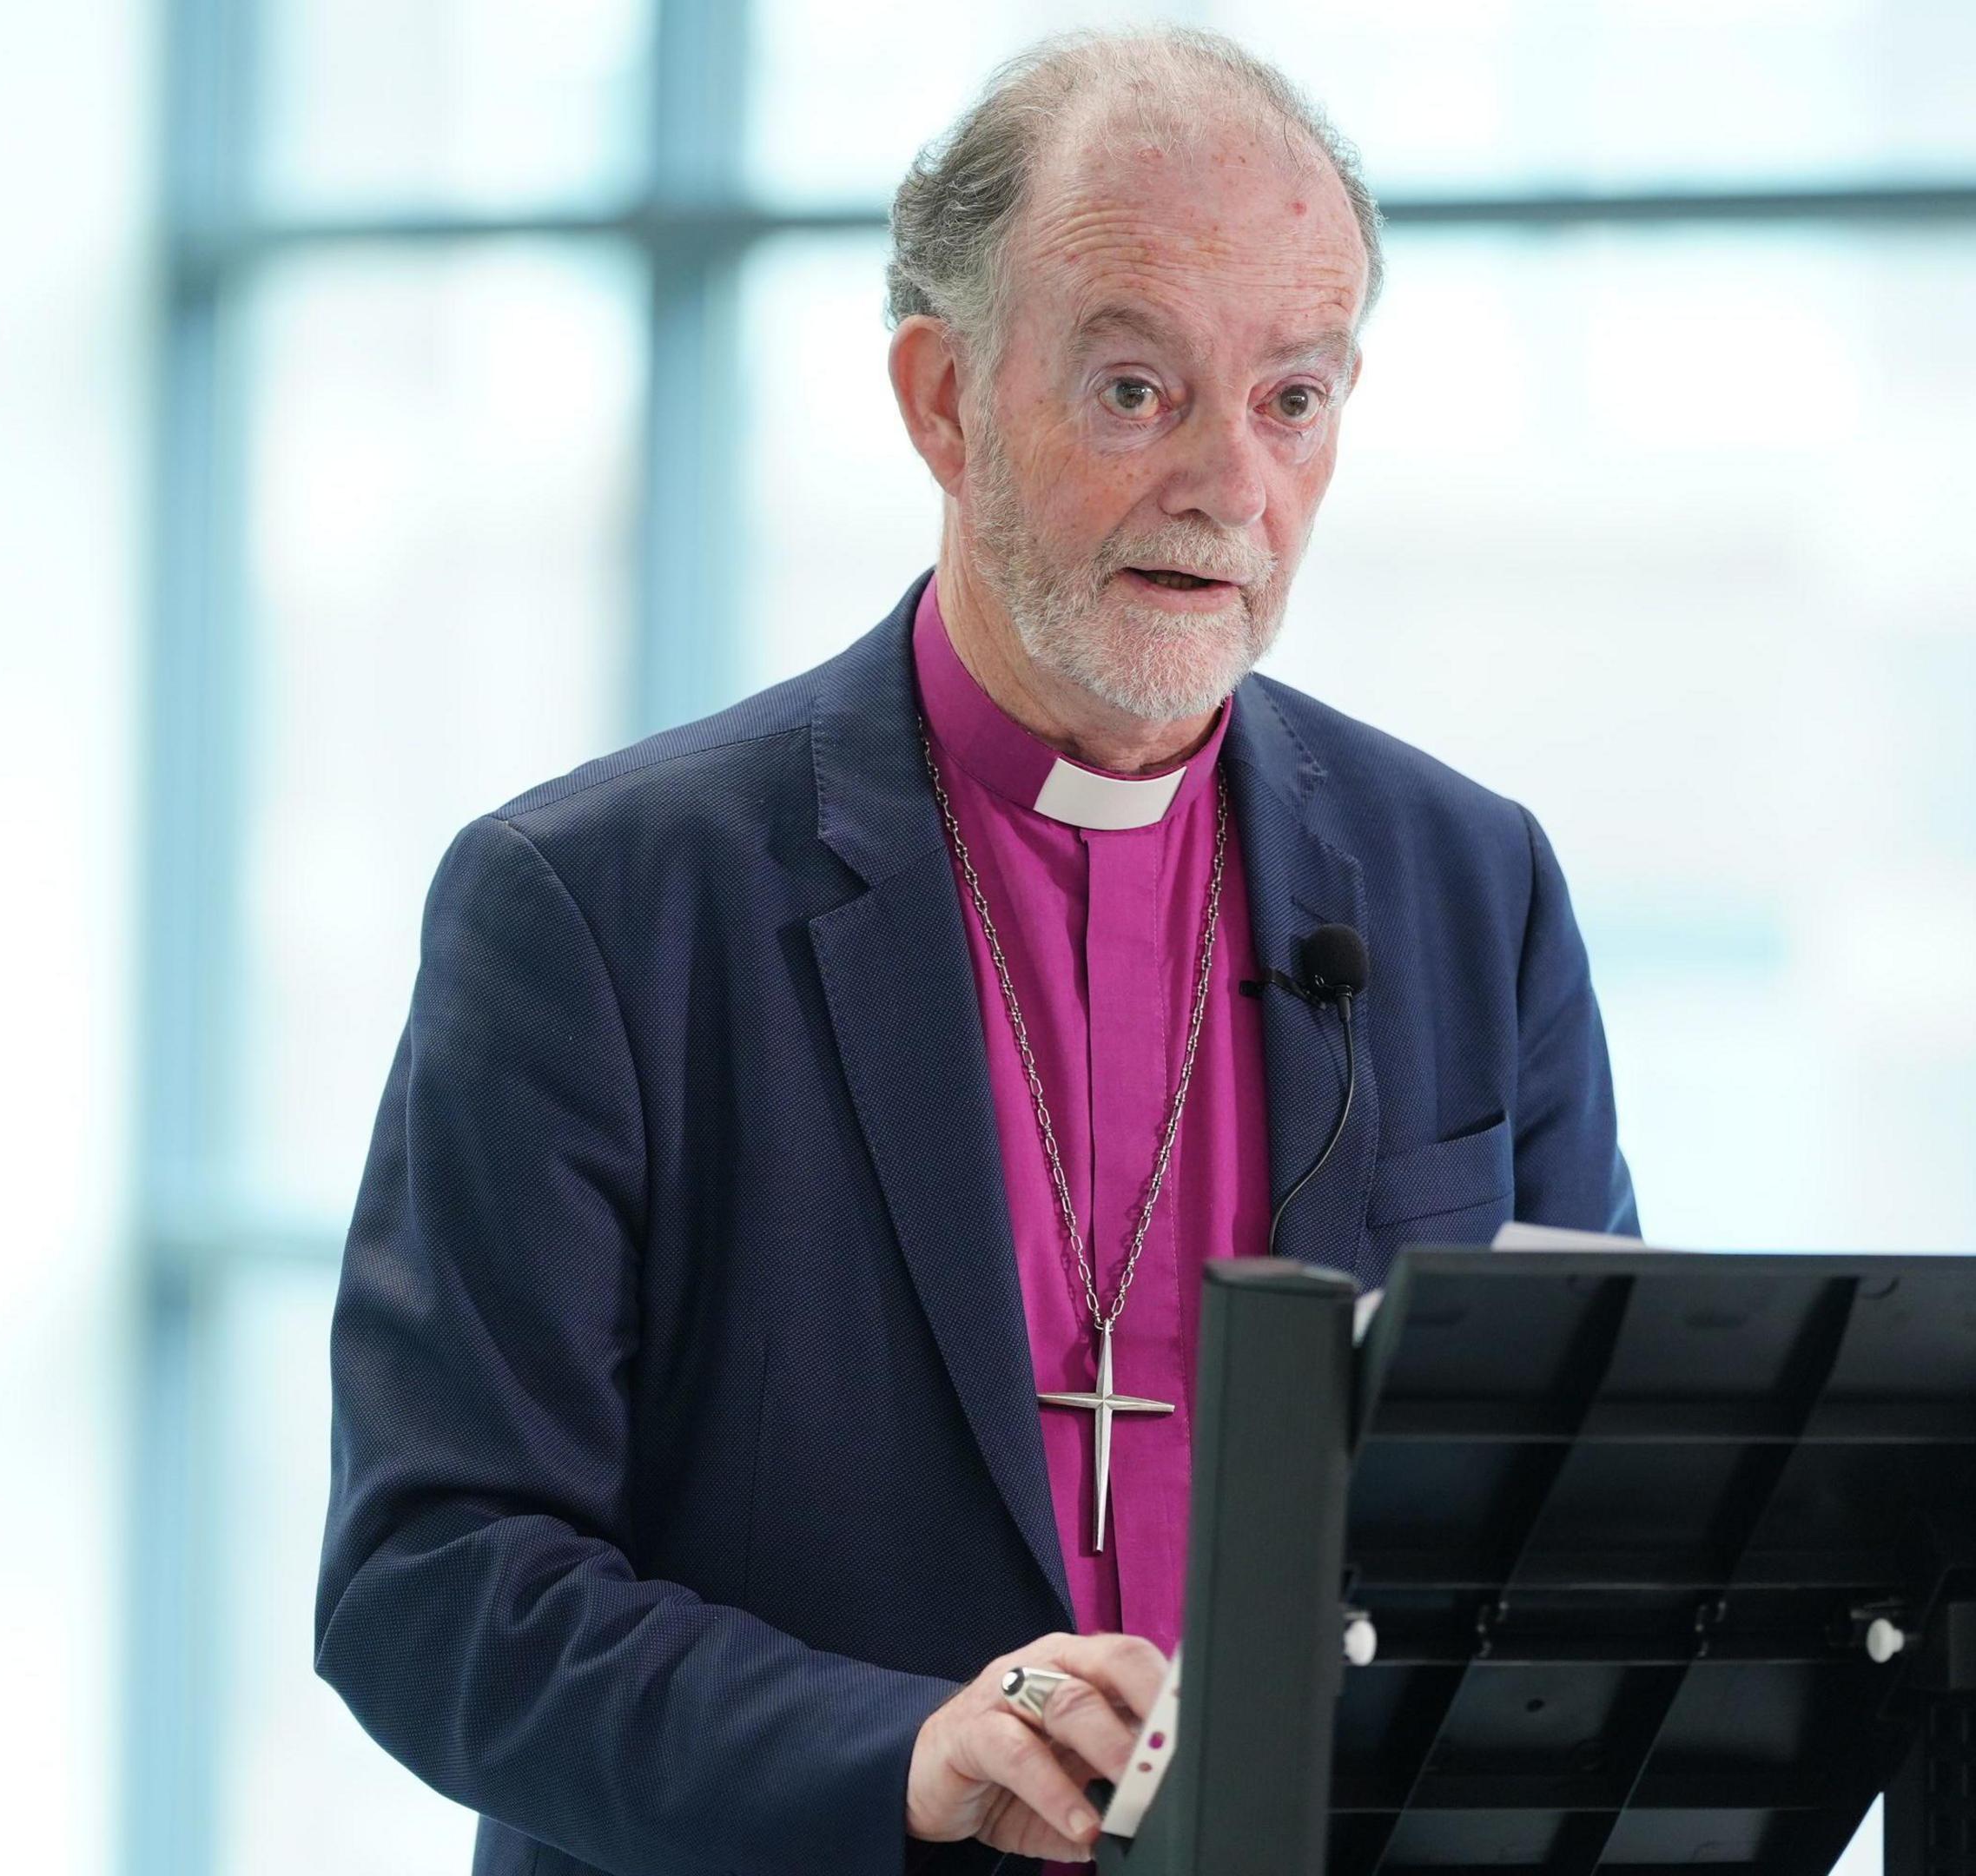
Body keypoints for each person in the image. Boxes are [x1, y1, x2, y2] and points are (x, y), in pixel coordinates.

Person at [315, 27, 1635, 1876]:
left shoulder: (1466, 886)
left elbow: (1591, 1506)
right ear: (942, 400)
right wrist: (907, 1753)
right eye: (1130, 388)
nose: (1226, 486)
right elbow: (430, 1584)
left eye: (1293, 399)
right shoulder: (593, 909)